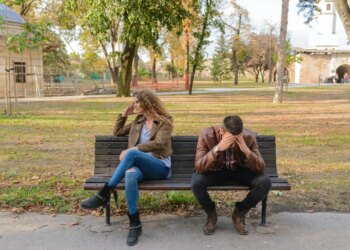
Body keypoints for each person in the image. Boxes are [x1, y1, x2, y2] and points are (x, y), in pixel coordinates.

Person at [80, 89, 173, 246]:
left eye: (137, 102)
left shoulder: (165, 120)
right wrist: (124, 114)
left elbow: (159, 143)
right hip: (140, 166)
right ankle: (134, 223)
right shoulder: (138, 121)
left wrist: (133, 149)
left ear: (147, 102)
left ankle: (104, 193)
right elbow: (117, 132)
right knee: (130, 175)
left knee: (132, 154)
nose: (134, 104)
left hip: (160, 166)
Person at [191, 115, 271, 236]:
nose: (233, 143)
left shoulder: (248, 137)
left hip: (238, 170)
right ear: (222, 131)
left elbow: (261, 168)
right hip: (215, 171)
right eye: (230, 139)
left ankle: (239, 213)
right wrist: (217, 148)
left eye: (236, 139)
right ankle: (211, 215)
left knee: (265, 182)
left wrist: (246, 151)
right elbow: (199, 167)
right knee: (196, 182)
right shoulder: (207, 134)